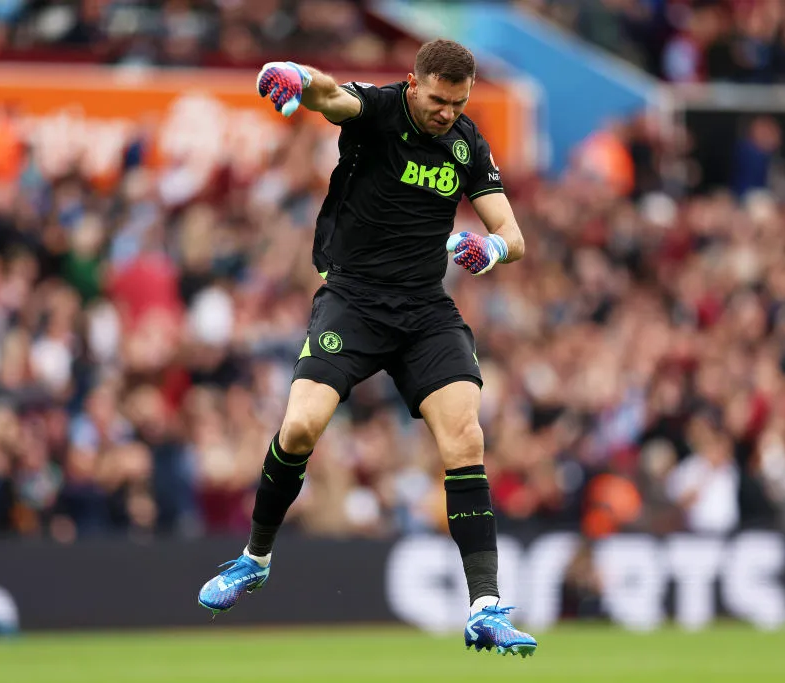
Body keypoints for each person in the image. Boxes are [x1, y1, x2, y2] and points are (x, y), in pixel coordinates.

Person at [196, 39, 537, 657]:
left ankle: (484, 605)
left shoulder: (466, 142)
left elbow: (512, 234)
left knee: (466, 439)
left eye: (458, 103)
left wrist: (490, 251)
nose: (446, 113)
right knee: (300, 428)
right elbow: (329, 94)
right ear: (414, 83)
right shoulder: (380, 110)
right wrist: (297, 76)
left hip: (424, 311)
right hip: (353, 301)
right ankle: (256, 557)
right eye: (438, 100)